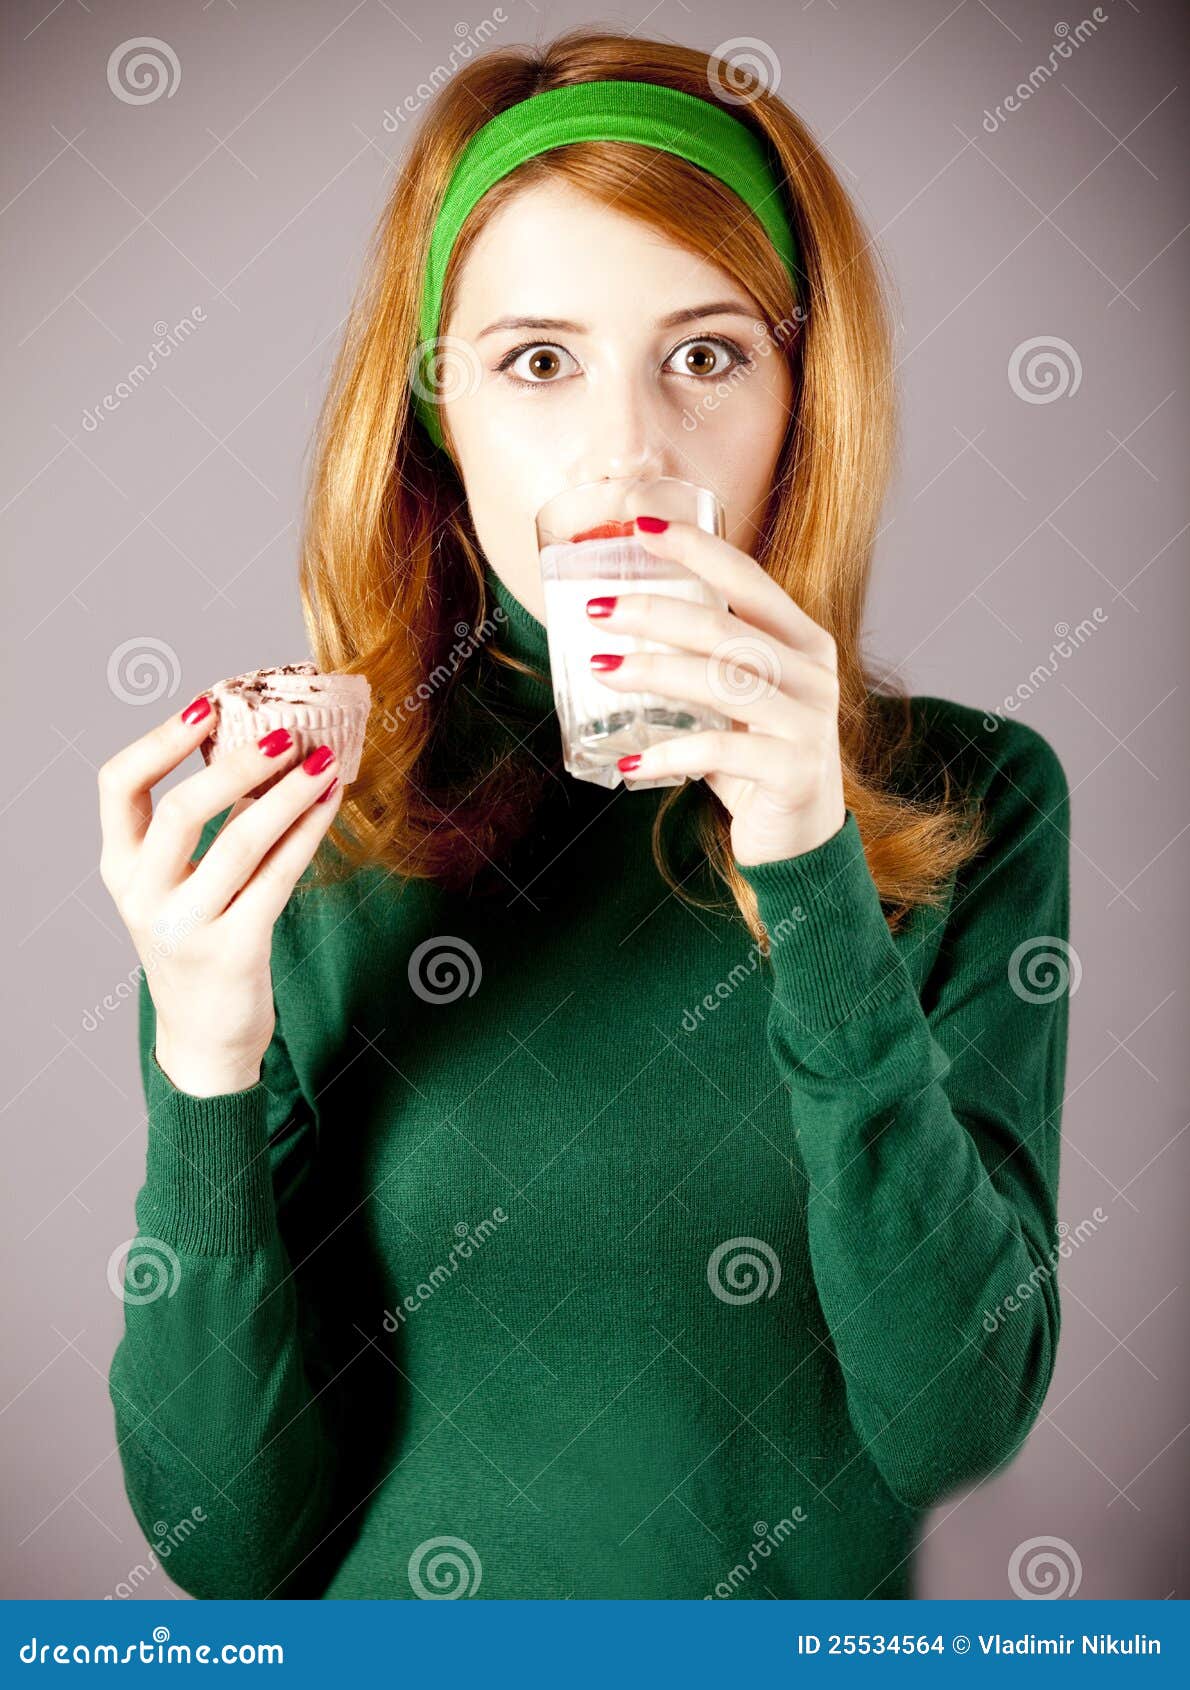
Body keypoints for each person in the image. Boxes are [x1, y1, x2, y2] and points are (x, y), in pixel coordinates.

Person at [99, 28, 1072, 1600]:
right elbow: (224, 1541)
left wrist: (813, 875)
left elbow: (948, 1424)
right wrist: (203, 1053)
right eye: (537, 360)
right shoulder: (293, 829)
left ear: (798, 395)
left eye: (704, 354)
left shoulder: (971, 798)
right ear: (438, 413)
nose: (627, 448)